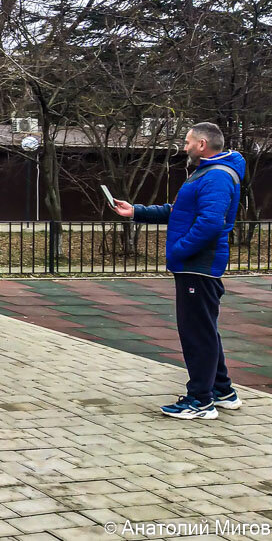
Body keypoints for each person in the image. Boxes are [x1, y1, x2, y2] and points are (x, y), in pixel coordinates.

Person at [111, 122, 245, 420]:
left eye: (187, 142)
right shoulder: (206, 173)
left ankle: (201, 401)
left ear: (201, 145)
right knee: (204, 329)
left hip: (199, 266)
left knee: (196, 333)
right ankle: (222, 391)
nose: (184, 147)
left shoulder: (217, 176)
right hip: (197, 266)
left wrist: (180, 250)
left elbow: (210, 223)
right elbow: (178, 210)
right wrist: (136, 211)